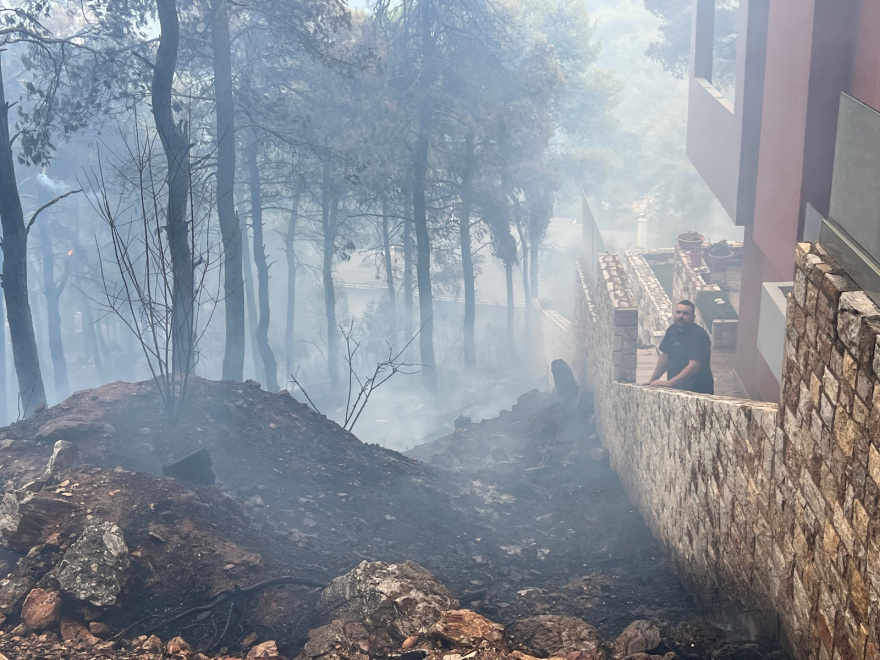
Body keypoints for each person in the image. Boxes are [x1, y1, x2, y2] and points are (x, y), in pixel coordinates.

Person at [643, 300, 714, 394]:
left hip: (697, 390)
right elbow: (665, 356)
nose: (681, 316)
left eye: (685, 313)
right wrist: (652, 379)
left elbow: (694, 366)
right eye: (678, 312)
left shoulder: (699, 336)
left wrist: (668, 383)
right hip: (676, 388)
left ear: (693, 317)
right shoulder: (672, 330)